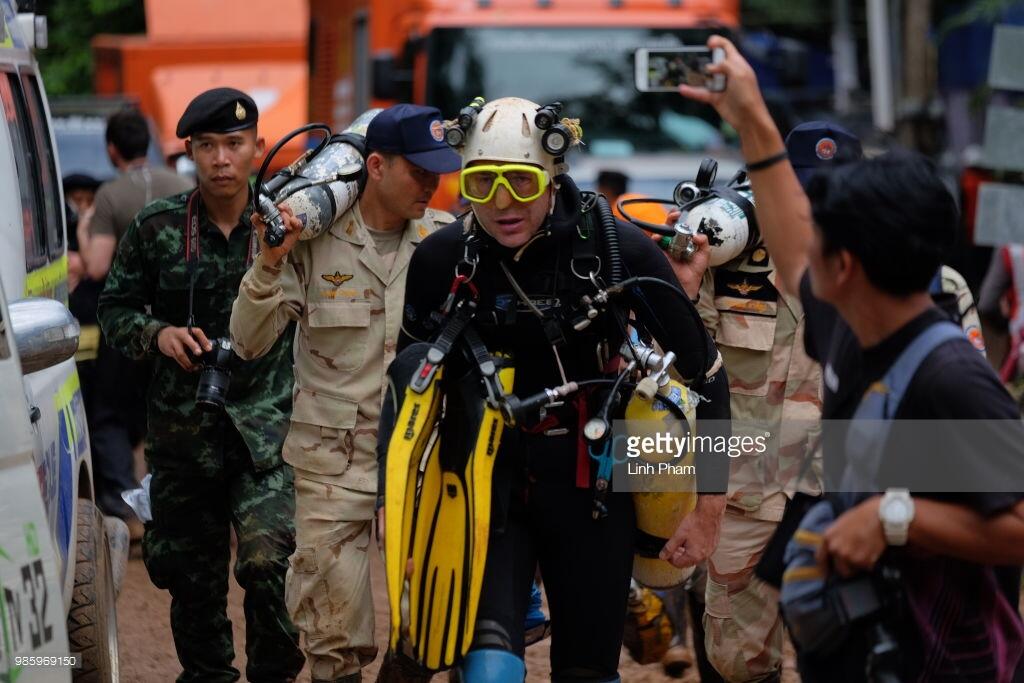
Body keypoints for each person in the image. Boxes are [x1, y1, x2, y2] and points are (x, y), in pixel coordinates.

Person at [679, 35, 1024, 682]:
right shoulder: (847, 330)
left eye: (824, 233)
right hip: (866, 644)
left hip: (943, 658)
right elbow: (787, 254)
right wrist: (753, 119)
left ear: (848, 264)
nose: (802, 247)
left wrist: (896, 516)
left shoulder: (949, 375)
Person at [386, 96, 732, 681]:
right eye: (482, 182)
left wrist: (710, 509)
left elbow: (709, 380)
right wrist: (401, 516)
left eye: (520, 182)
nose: (501, 203)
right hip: (482, 487)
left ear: (553, 174)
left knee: (588, 672)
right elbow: (410, 395)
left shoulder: (615, 251)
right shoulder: (443, 258)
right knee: (488, 673)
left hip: (591, 489)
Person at [230, 103, 460, 683]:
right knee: (334, 638)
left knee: (433, 624)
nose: (432, 184)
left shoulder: (445, 242)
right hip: (332, 464)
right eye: (418, 170)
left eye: (438, 170)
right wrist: (269, 260)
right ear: (375, 167)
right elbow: (248, 341)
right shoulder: (314, 241)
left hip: (426, 460)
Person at [97, 87, 304, 683]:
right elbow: (114, 310)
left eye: (234, 144)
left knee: (270, 566)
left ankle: (273, 673)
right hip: (183, 436)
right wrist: (158, 334)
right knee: (192, 582)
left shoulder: (288, 228)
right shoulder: (157, 227)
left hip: (265, 437)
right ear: (189, 152)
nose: (220, 159)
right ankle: (210, 675)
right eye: (207, 146)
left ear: (258, 147)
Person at [75, 108, 193, 525]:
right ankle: (175, 509)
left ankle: (127, 509)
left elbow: (96, 266)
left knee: (109, 412)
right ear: (147, 142)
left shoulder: (110, 195)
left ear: (112, 149)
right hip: (181, 324)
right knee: (170, 411)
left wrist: (84, 229)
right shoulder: (184, 186)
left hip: (127, 326)